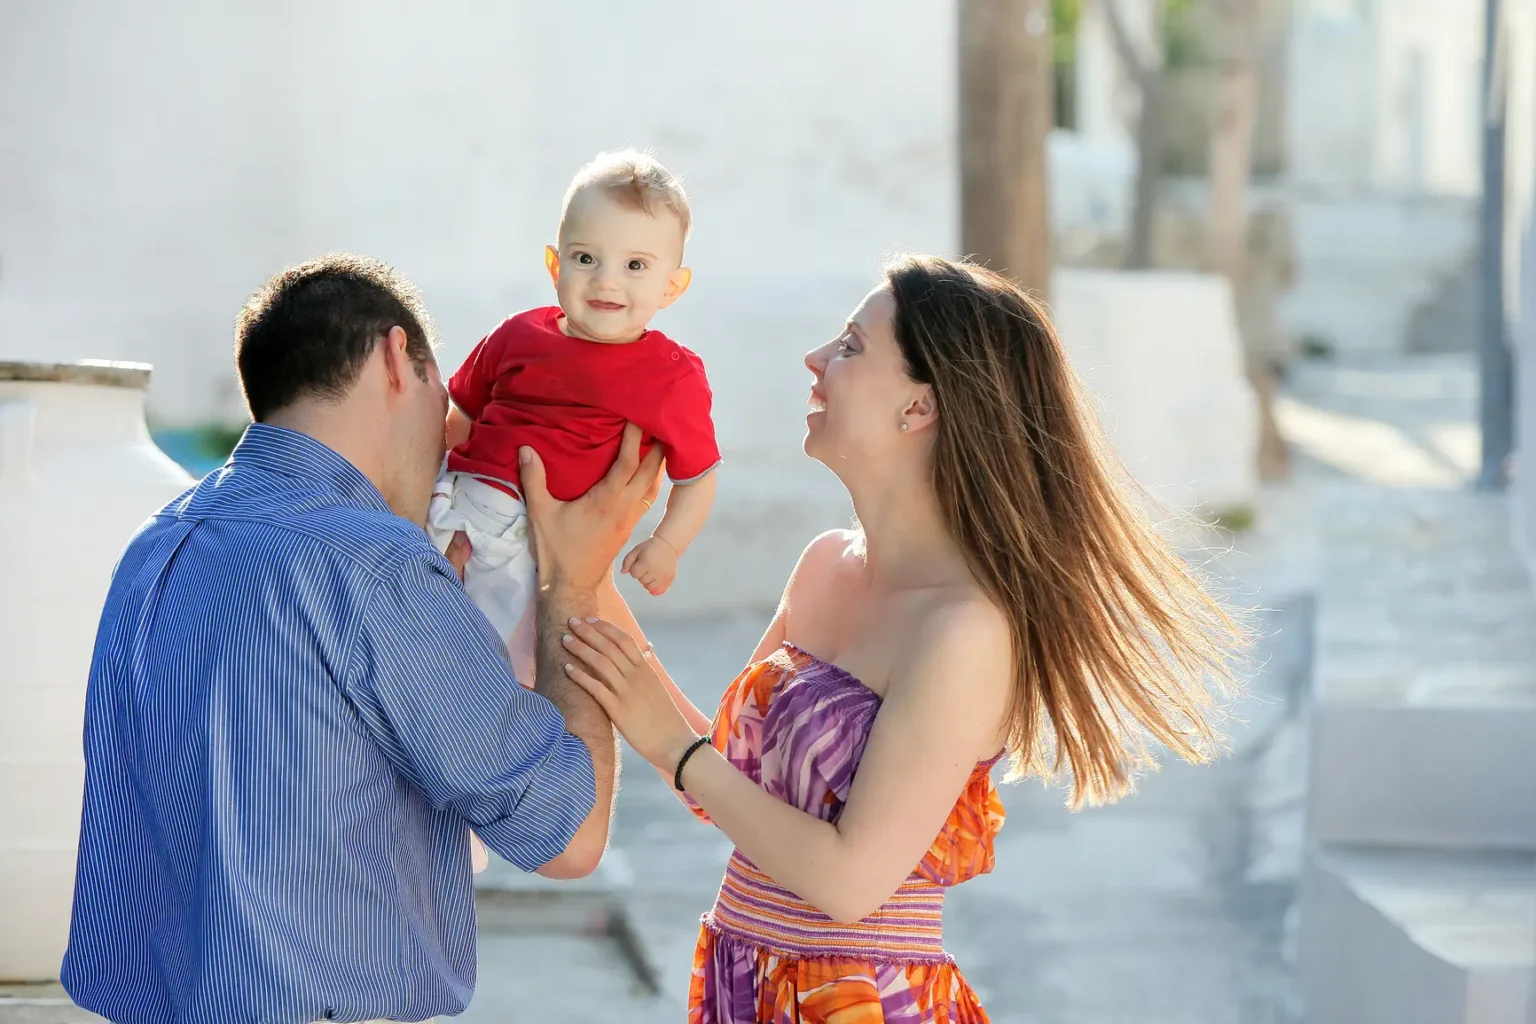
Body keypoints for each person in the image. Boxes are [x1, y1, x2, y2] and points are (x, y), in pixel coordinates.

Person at [548, 255, 1249, 1023]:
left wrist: (671, 749)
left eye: (849, 347)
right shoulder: (823, 565)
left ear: (919, 408)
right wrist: (583, 573)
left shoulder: (965, 629)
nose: (815, 360)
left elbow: (851, 882)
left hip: (863, 1002)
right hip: (744, 981)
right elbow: (727, 788)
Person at [60, 253, 659, 1024]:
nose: (451, 436)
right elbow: (570, 835)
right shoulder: (374, 567)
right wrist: (571, 585)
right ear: (394, 358)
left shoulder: (153, 544)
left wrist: (443, 630)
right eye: (445, 394)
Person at [429, 149, 719, 690]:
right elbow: (461, 412)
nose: (607, 281)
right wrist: (450, 482)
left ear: (671, 288)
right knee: (408, 636)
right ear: (555, 264)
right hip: (456, 506)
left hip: (535, 550)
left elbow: (698, 475)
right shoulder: (517, 334)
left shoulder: (669, 376)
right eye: (586, 259)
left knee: (494, 675)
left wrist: (666, 545)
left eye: (635, 266)